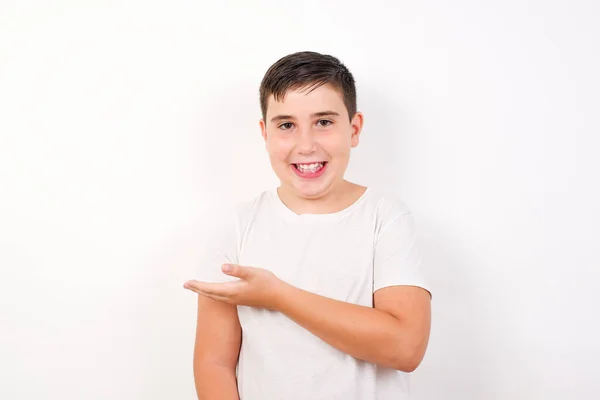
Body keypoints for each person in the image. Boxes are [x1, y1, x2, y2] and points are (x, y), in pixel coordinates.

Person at [183, 51, 432, 400]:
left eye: (324, 122)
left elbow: (405, 348)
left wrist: (278, 296)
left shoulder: (384, 217)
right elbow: (214, 364)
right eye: (286, 125)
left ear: (354, 128)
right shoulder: (237, 225)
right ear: (265, 133)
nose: (306, 145)